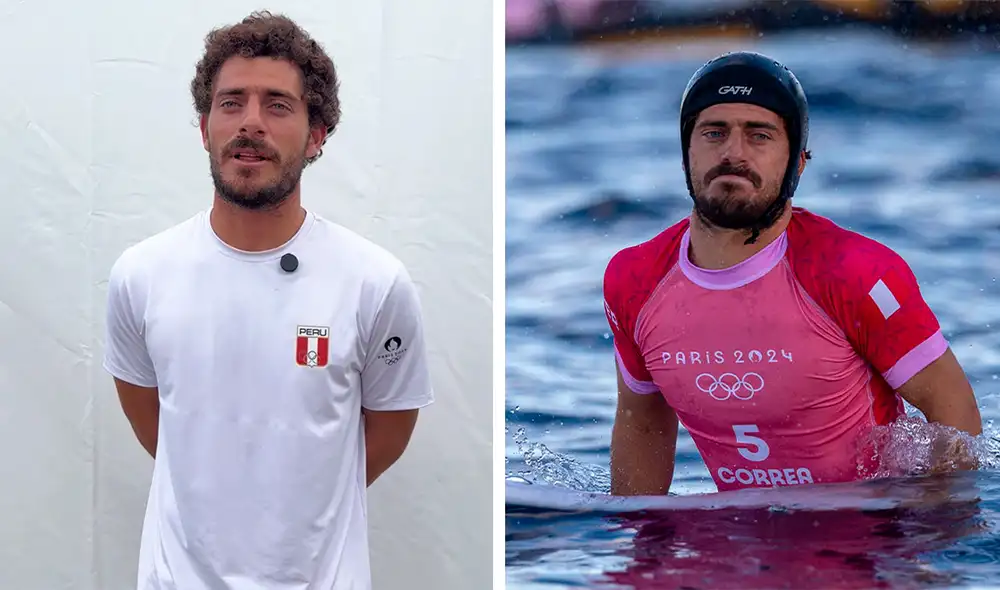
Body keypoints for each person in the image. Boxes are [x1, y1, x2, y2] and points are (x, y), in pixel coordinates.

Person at [102, 11, 434, 589]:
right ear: (205, 127)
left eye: (277, 105)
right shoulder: (142, 275)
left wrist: (302, 496)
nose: (250, 123)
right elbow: (156, 423)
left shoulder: (374, 282)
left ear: (316, 135)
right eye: (231, 103)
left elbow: (386, 433)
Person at [601, 51, 981, 496]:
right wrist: (641, 553)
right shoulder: (634, 278)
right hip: (736, 545)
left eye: (759, 135)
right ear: (686, 152)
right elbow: (643, 423)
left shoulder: (851, 270)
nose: (733, 153)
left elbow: (954, 411)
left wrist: (930, 543)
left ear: (798, 163)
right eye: (713, 132)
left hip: (870, 544)